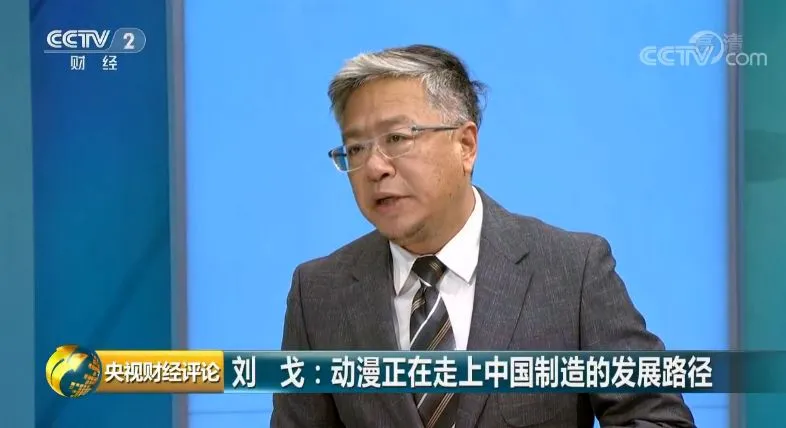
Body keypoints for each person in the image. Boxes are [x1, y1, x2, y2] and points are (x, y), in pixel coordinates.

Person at [271, 44, 695, 428]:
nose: (375, 167)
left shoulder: (572, 270)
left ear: (466, 145)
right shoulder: (320, 293)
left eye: (397, 138)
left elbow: (658, 420)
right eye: (356, 148)